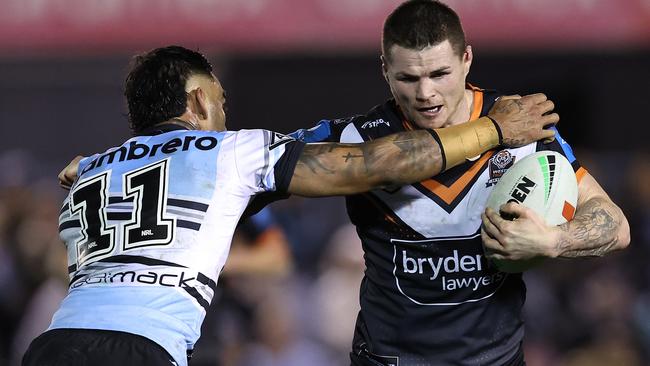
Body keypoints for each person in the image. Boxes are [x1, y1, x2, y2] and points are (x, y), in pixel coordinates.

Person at [23, 45, 554, 366]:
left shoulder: (90, 167)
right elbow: (374, 165)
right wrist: (493, 129)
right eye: (222, 102)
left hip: (51, 344)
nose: (226, 115)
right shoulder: (227, 151)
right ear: (200, 100)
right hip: (142, 349)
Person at [290, 1, 630, 365]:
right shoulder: (357, 139)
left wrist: (554, 240)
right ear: (384, 70)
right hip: (389, 359)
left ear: (467, 58)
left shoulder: (523, 125)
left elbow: (616, 225)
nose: (425, 94)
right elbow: (268, 164)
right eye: (408, 78)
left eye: (440, 74)